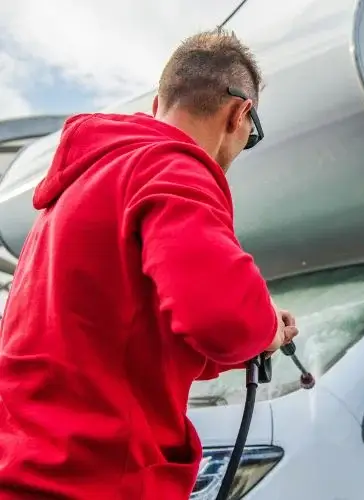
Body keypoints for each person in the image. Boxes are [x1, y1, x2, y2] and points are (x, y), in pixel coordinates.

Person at [0, 29, 299, 499]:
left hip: (30, 468)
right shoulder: (173, 169)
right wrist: (265, 329)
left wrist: (252, 339)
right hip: (96, 481)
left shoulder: (77, 189)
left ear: (158, 103)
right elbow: (222, 318)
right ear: (239, 115)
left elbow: (119, 334)